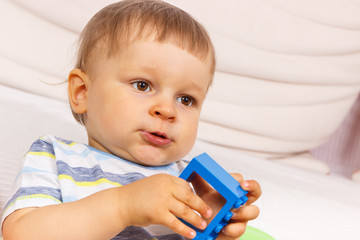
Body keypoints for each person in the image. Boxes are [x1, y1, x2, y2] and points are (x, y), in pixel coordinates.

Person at [1, 1, 261, 239]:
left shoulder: (188, 182)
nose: (167, 110)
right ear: (83, 93)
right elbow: (21, 234)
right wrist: (122, 206)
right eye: (142, 85)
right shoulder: (55, 157)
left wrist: (214, 224)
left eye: (186, 100)